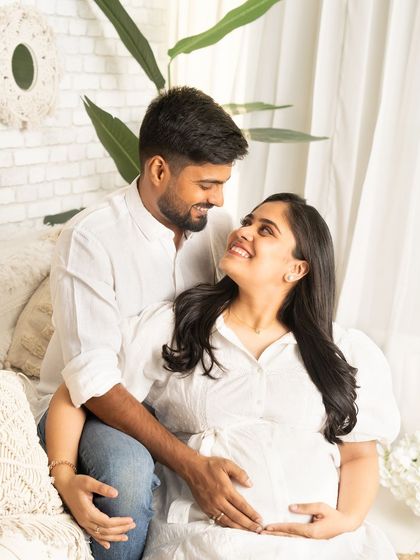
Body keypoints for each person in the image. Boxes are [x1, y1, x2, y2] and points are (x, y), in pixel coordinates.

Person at [44, 193, 400, 559]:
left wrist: (347, 520)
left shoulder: (344, 350)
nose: (243, 232)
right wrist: (64, 474)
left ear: (297, 269)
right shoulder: (176, 327)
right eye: (247, 222)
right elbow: (83, 387)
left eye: (265, 230)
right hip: (208, 542)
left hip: (321, 547)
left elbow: (358, 454)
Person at [36, 86, 265, 560]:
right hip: (92, 407)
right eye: (206, 185)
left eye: (223, 184)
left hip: (176, 393)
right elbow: (93, 384)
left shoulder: (217, 234)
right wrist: (188, 463)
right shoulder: (91, 239)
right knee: (128, 480)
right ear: (159, 169)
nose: (219, 200)